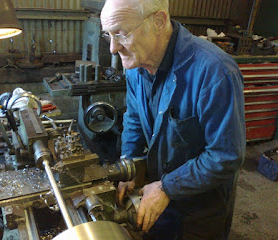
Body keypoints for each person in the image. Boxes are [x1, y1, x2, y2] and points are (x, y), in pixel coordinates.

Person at [100, 0, 246, 239]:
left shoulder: (215, 71)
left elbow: (226, 155)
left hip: (201, 210)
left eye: (122, 34)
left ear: (158, 22)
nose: (113, 48)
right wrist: (129, 165)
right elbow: (134, 117)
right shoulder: (137, 64)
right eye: (108, 35)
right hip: (156, 193)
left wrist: (167, 187)